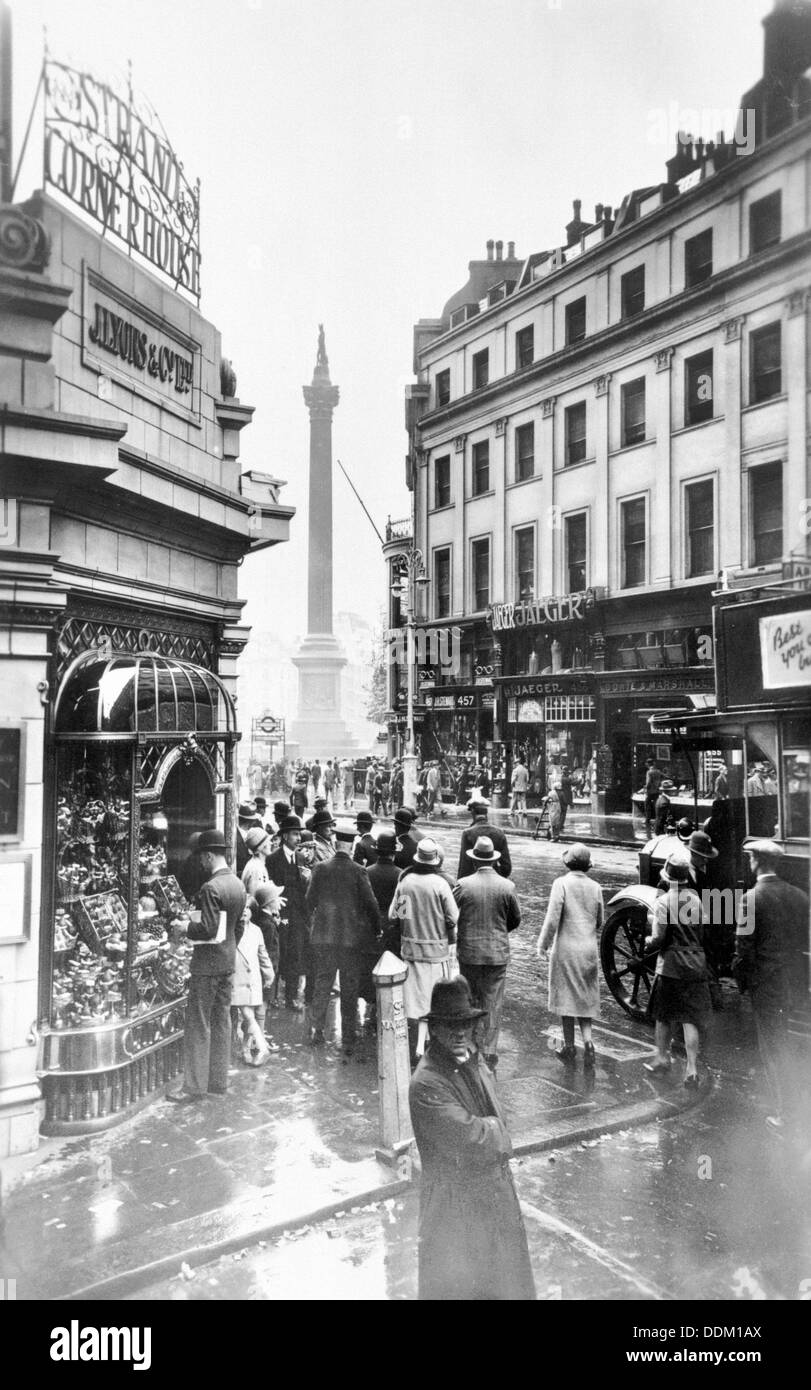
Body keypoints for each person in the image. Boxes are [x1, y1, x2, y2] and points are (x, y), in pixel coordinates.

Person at [409, 977, 536, 1301]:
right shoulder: (426, 1083)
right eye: (451, 1026)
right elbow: (476, 1140)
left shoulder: (472, 1061)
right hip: (455, 1214)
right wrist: (495, 1129)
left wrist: (493, 1127)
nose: (460, 1033)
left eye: (466, 1025)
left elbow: (496, 1120)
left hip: (493, 1204)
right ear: (434, 1029)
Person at [732, 838, 809, 1134]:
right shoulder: (800, 895)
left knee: (774, 1048)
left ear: (756, 862)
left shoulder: (751, 899)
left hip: (768, 985)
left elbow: (744, 950)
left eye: (751, 859)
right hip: (796, 982)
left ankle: (786, 1115)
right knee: (791, 1045)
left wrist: (744, 983)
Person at [167, 828, 246, 1103]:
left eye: (202, 857)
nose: (200, 862)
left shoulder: (210, 888)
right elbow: (240, 925)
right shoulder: (236, 883)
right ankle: (218, 1082)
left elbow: (208, 928)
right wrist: (230, 948)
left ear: (210, 855)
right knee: (222, 1021)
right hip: (227, 962)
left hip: (206, 966)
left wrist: (184, 926)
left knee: (199, 1024)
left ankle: (194, 1087)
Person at [305, 818, 381, 1051]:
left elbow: (309, 901)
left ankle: (315, 1030)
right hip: (350, 940)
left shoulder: (320, 868)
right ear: (350, 846)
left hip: (324, 938)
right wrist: (376, 929)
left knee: (322, 983)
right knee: (349, 986)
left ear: (336, 842)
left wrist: (315, 924)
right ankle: (348, 1035)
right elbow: (371, 904)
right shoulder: (358, 871)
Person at [388, 838, 459, 1064]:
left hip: (410, 950)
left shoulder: (406, 882)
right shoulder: (440, 885)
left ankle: (416, 1045)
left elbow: (395, 915)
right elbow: (453, 917)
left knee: (413, 1000)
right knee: (431, 999)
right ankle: (424, 1044)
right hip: (436, 952)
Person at [454, 835, 521, 1071]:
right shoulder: (507, 886)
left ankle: (472, 1045)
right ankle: (489, 1050)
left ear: (474, 861)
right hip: (497, 954)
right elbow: (515, 919)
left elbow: (452, 915)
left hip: (470, 953)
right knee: (493, 1002)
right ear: (493, 861)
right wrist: (499, 932)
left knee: (470, 998)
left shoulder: (463, 885)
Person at [537, 842, 604, 1068]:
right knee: (585, 997)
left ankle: (568, 1046)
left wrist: (543, 945)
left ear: (568, 863)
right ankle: (589, 1043)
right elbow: (600, 921)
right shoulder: (596, 886)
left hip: (566, 947)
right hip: (588, 948)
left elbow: (552, 918)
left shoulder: (561, 883)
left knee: (566, 997)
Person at [266, 814, 310, 1012]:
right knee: (277, 954)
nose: (298, 838)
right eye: (294, 834)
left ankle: (291, 997)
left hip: (298, 917)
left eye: (299, 834)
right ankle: (273, 996)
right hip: (280, 915)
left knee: (295, 955)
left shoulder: (300, 858)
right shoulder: (272, 859)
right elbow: (269, 888)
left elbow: (303, 890)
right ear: (284, 836)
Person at [231, 900, 275, 1066]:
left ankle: (246, 1048)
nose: (244, 912)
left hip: (253, 978)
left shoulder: (256, 931)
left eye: (248, 908)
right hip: (237, 977)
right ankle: (263, 1047)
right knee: (248, 1014)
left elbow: (263, 954)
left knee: (250, 1015)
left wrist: (269, 974)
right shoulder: (232, 930)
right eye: (241, 908)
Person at [457, 796, 512, 881]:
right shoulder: (499, 833)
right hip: (495, 882)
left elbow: (464, 867)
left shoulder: (468, 834)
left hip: (473, 884)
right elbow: (506, 867)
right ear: (486, 813)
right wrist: (495, 878)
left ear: (472, 812)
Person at [367, 831, 403, 956]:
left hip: (370, 929)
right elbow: (402, 911)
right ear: (393, 853)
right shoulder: (401, 875)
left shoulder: (366, 872)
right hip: (392, 934)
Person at [240, 826, 271, 897]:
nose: (271, 843)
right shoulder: (256, 869)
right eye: (268, 842)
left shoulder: (256, 864)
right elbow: (254, 900)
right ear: (263, 847)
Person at [644, 759, 663, 840]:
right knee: (656, 804)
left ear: (648, 764)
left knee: (647, 804)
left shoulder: (649, 772)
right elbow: (660, 781)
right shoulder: (658, 771)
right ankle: (657, 819)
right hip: (656, 790)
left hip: (650, 791)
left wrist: (645, 788)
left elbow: (648, 782)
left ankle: (647, 819)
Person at [510, 756, 529, 825]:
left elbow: (513, 780)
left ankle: (512, 811)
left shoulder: (515, 770)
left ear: (517, 763)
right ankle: (525, 811)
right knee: (523, 799)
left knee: (514, 799)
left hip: (516, 787)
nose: (514, 764)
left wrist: (512, 786)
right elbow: (527, 779)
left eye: (515, 763)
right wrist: (525, 785)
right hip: (523, 787)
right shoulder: (525, 770)